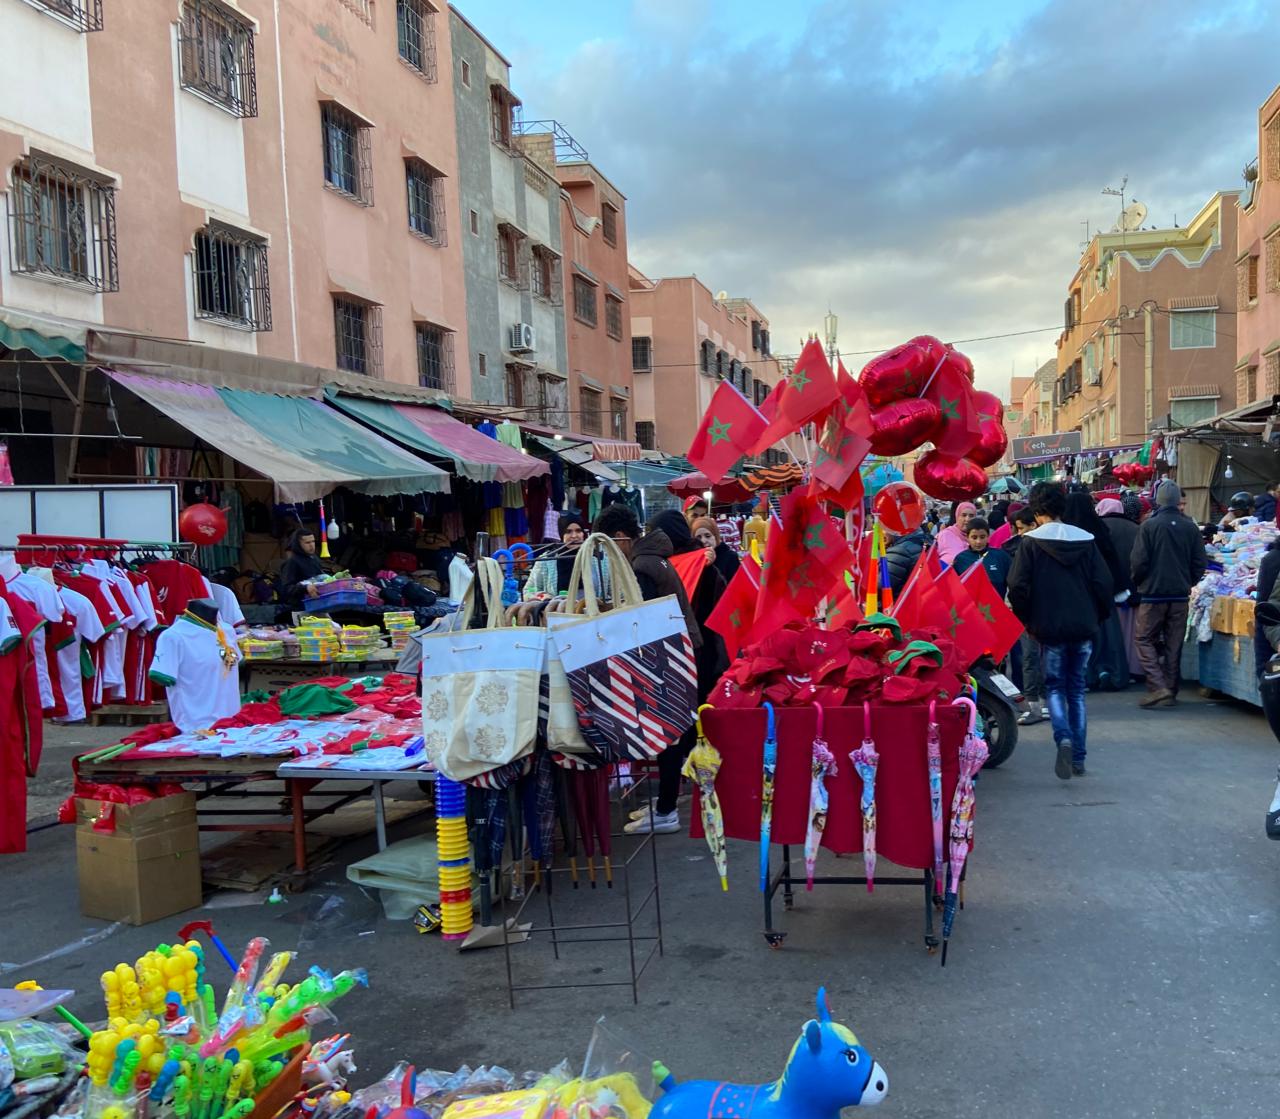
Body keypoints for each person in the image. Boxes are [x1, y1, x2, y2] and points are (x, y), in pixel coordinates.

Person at [593, 505, 704, 836]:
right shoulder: (650, 558)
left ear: (621, 538)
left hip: (667, 657)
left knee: (667, 733)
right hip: (678, 651)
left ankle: (667, 809)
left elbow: (642, 621)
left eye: (609, 545)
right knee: (674, 731)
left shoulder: (642, 566)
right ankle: (665, 804)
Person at [1008, 481, 1114, 779]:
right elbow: (1103, 584)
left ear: (1037, 511)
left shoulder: (1030, 543)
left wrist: (1027, 618)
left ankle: (1063, 738)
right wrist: (1097, 616)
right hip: (1083, 627)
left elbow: (1017, 586)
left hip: (1048, 628)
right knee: (1076, 691)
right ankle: (1078, 756)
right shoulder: (1086, 540)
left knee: (1054, 687)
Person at [1130, 480, 1207, 708]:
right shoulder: (1190, 527)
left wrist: (1139, 582)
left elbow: (1139, 562)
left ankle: (1158, 685)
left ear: (1158, 500)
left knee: (1144, 639)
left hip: (1153, 595)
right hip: (1180, 596)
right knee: (1174, 644)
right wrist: (1187, 582)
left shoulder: (1149, 526)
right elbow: (1199, 563)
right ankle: (1170, 690)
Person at [1064, 488, 1129, 692]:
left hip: (1077, 597)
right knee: (1108, 637)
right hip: (1102, 595)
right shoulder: (1099, 530)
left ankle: (1087, 676)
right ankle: (1111, 673)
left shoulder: (1066, 534)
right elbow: (1112, 563)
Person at [1003, 507, 1046, 724]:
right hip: (1028, 610)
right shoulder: (1018, 548)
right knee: (1031, 657)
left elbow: (1016, 583)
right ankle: (1036, 703)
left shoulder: (1030, 548)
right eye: (1017, 528)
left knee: (1034, 658)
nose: (1019, 533)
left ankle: (1040, 704)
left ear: (1034, 525)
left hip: (1031, 610)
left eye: (1022, 528)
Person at [523, 513, 610, 600]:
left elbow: (615, 592)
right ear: (561, 534)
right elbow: (528, 591)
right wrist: (544, 598)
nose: (574, 536)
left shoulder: (598, 557)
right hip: (558, 611)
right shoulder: (547, 560)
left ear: (583, 533)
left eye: (578, 531)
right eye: (568, 532)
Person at [951, 516, 1011, 597]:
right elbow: (954, 587)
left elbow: (1012, 583)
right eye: (974, 537)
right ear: (967, 537)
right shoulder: (960, 559)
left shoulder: (1001, 556)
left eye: (982, 537)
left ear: (988, 536)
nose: (978, 541)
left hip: (996, 605)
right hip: (971, 606)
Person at [278, 529, 323, 607]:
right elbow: (286, 588)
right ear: (298, 544)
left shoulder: (315, 559)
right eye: (307, 543)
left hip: (318, 604)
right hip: (299, 607)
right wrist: (305, 588)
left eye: (313, 541)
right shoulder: (292, 562)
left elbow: (321, 578)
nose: (311, 545)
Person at [691, 516, 741, 586]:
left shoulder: (730, 557)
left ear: (715, 536)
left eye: (707, 536)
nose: (703, 541)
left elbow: (734, 587)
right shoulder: (694, 560)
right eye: (698, 537)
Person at [883, 524, 928, 596]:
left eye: (884, 528)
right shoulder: (925, 540)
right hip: (919, 597)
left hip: (898, 602)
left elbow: (881, 585)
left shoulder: (899, 551)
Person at [936, 501, 977, 566]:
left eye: (971, 516)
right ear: (957, 517)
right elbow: (948, 558)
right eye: (963, 515)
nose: (967, 519)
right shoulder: (946, 534)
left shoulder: (978, 535)